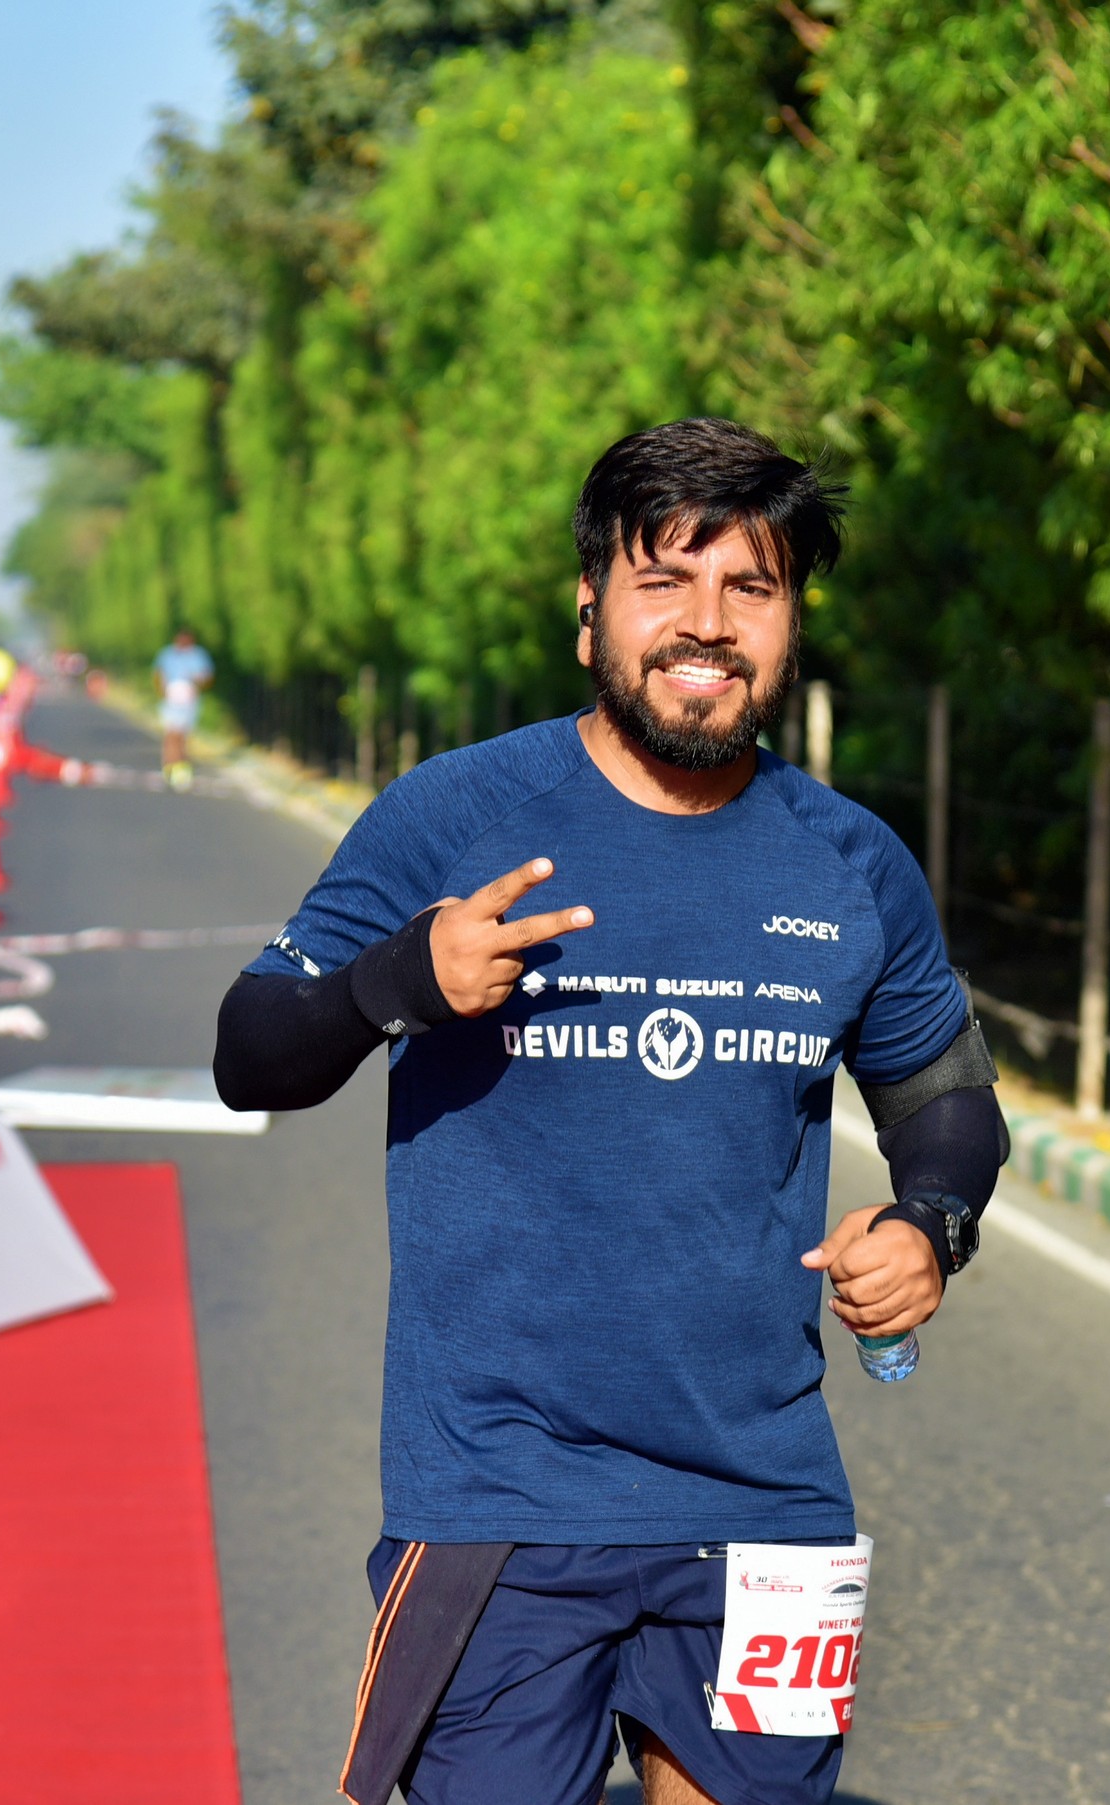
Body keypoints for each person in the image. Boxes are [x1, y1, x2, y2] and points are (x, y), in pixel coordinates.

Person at [213, 419, 1006, 1805]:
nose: (707, 625)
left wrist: (928, 1223)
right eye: (663, 582)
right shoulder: (455, 815)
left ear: (791, 623)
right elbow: (251, 1049)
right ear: (588, 612)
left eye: (749, 588)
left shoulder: (849, 861)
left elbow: (944, 1094)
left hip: (766, 1503)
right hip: (499, 1502)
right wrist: (402, 980)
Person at [153, 628, 213, 789]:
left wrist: (199, 682)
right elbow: (158, 673)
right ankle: (169, 765)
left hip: (189, 701)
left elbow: (207, 676)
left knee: (183, 735)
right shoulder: (167, 654)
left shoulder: (198, 655)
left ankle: (182, 766)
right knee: (171, 734)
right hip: (171, 699)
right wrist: (162, 691)